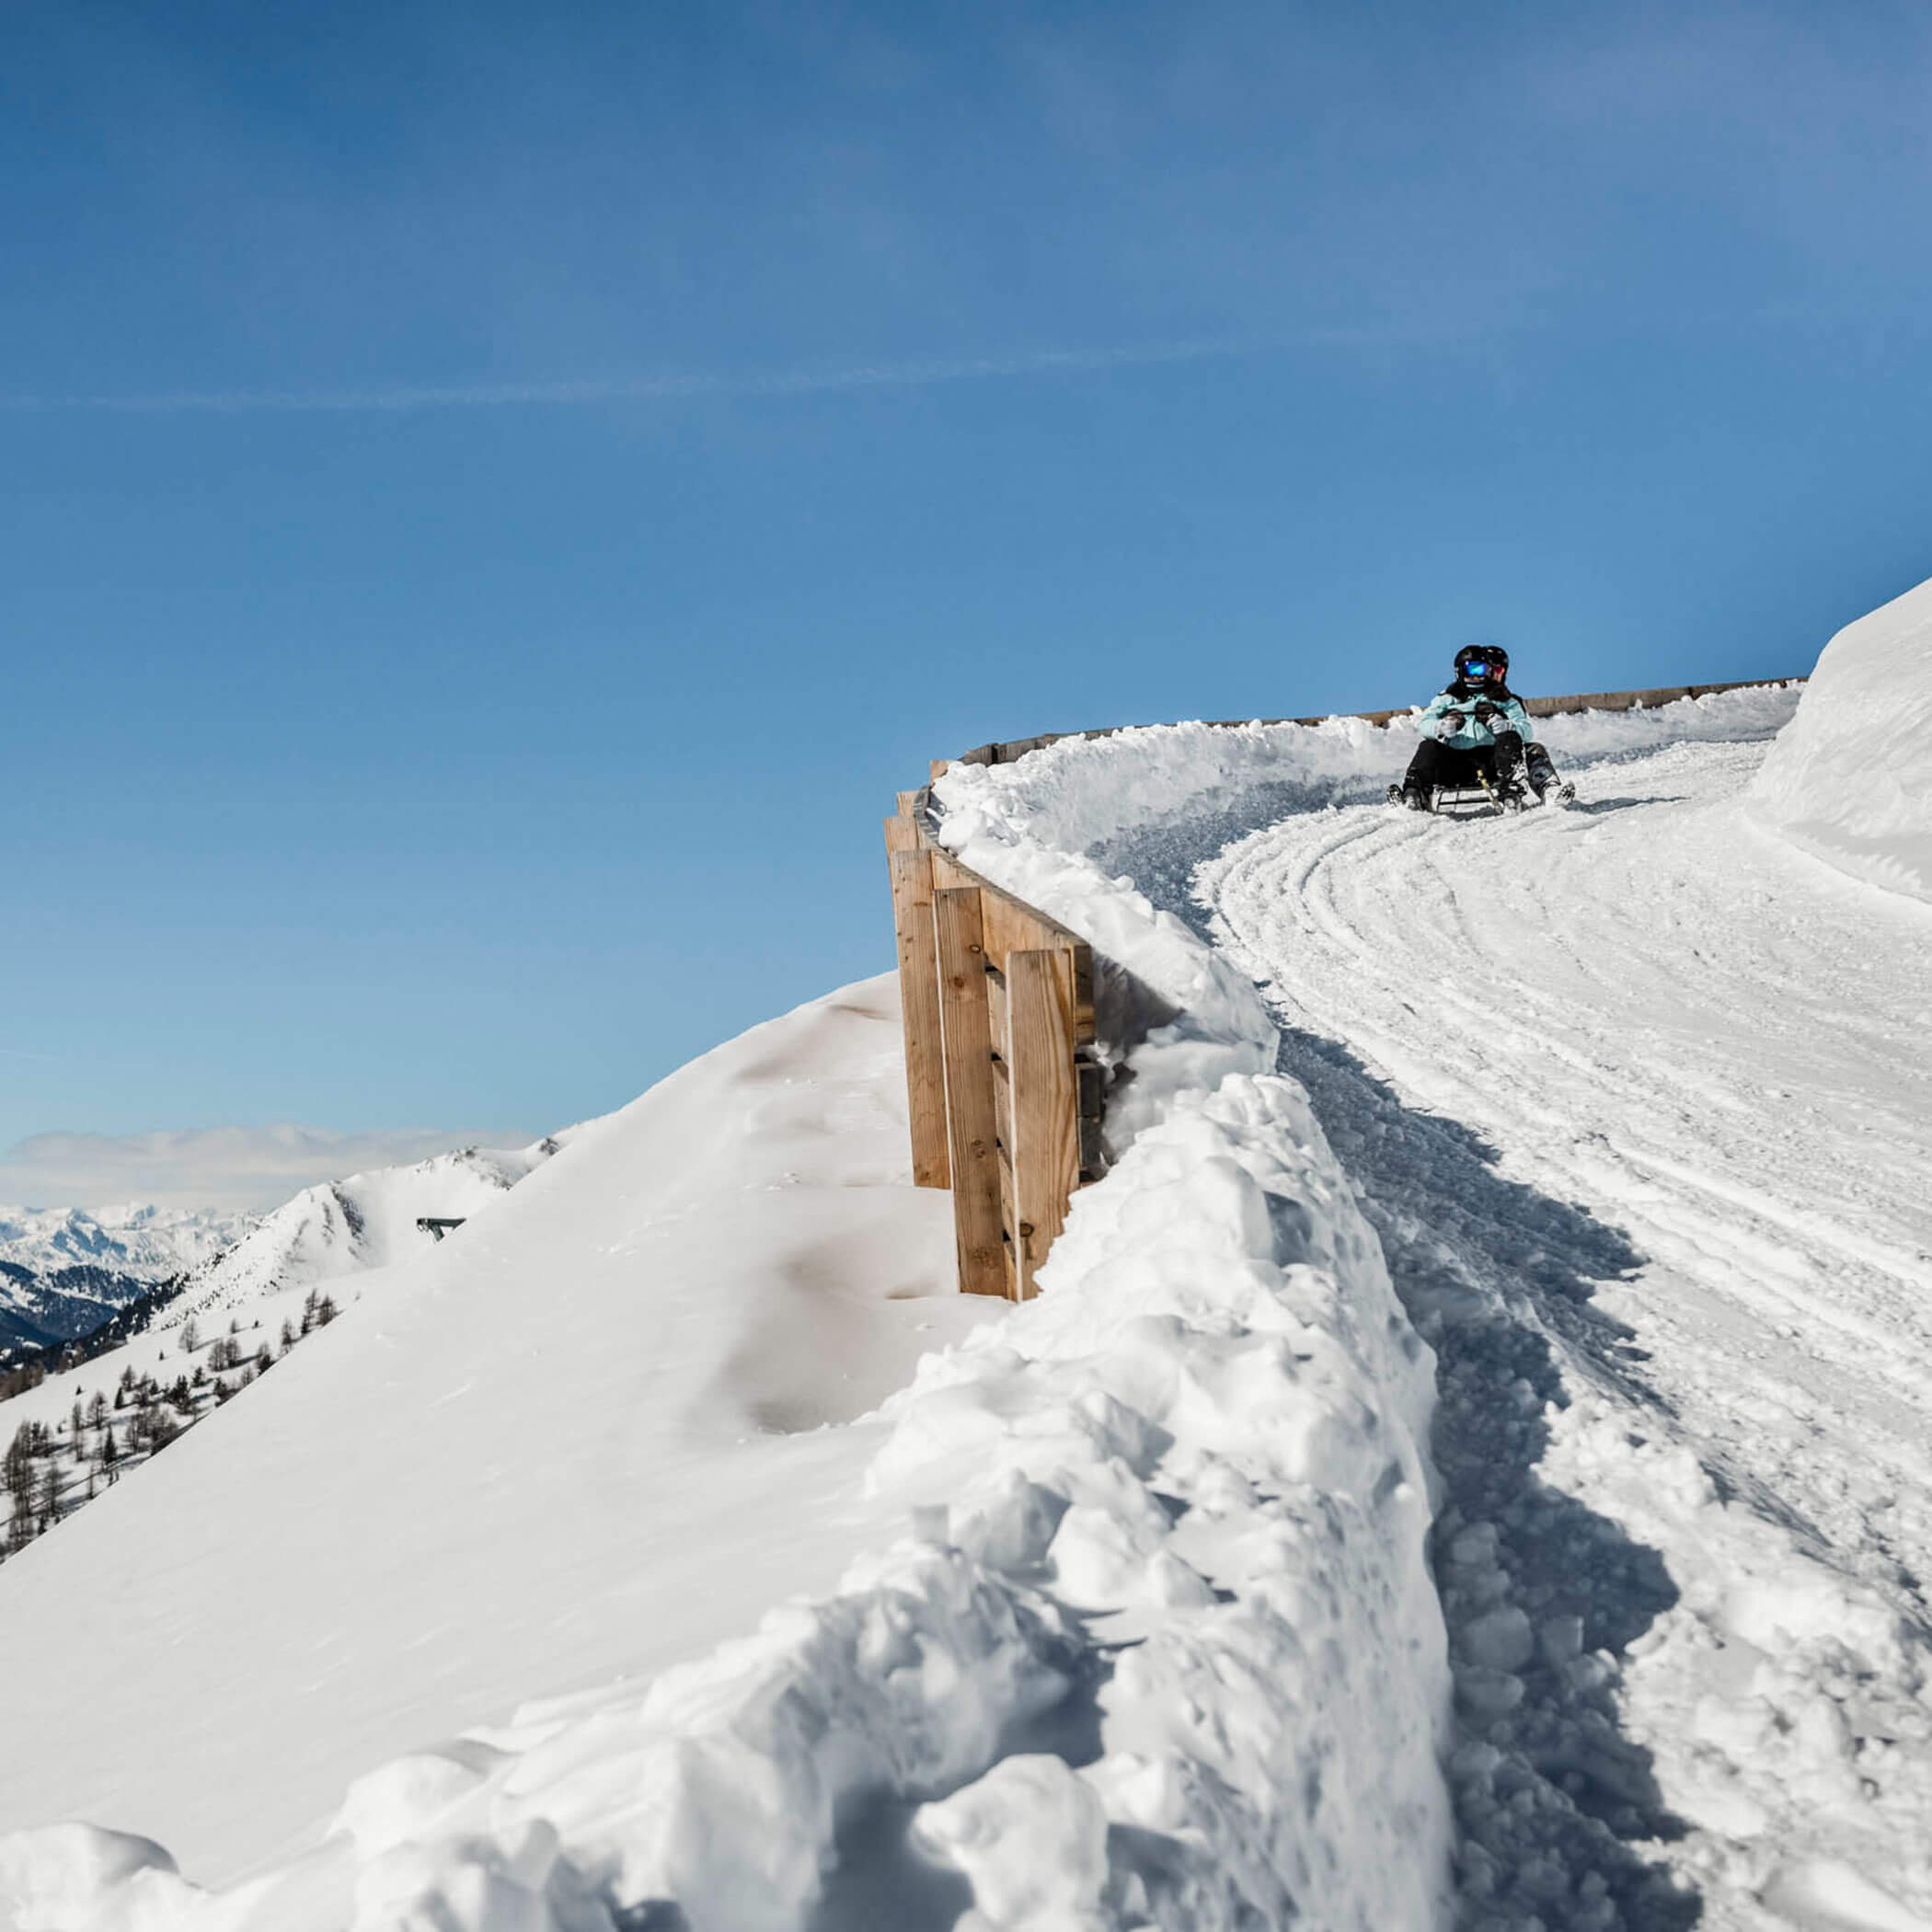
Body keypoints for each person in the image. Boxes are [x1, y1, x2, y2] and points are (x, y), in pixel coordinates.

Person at [1394, 644, 1571, 811]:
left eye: (1483, 670)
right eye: (1472, 670)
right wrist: (1440, 727)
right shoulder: (1447, 699)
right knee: (1428, 747)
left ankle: (1543, 789)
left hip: (1495, 762)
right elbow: (1425, 724)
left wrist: (1506, 726)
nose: (1477, 676)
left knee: (1531, 748)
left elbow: (1526, 730)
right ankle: (1414, 794)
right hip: (1455, 763)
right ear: (1460, 671)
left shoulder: (1504, 699)